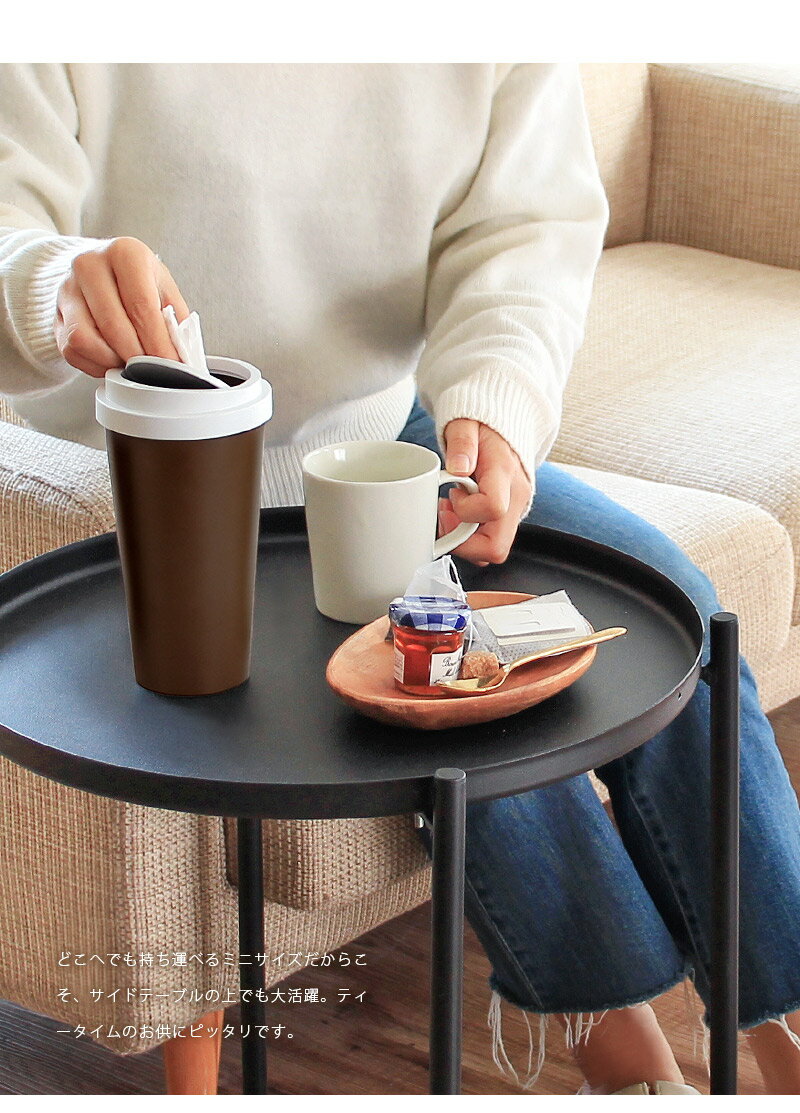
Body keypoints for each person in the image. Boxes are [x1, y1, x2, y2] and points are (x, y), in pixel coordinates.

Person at [1, 62, 799, 1095]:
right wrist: (50, 278)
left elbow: (522, 230)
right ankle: (626, 1063)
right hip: (161, 481)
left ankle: (777, 1029)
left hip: (389, 442)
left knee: (684, 625)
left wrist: (495, 419)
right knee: (462, 697)